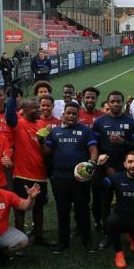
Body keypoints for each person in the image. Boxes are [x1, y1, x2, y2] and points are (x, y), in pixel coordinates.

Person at [43, 101, 98, 252]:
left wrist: (92, 162)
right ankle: (63, 241)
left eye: (74, 113)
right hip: (60, 177)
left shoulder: (86, 131)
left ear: (78, 115)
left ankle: (87, 240)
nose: (71, 116)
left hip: (80, 178)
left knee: (82, 209)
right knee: (62, 210)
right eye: (68, 113)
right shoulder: (55, 131)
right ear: (63, 115)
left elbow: (93, 149)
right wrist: (42, 140)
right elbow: (47, 152)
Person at [92, 91, 134, 247]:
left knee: (127, 201)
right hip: (105, 169)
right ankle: (106, 233)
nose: (115, 104)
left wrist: (122, 142)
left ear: (122, 103)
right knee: (104, 202)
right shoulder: (99, 122)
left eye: (118, 101)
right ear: (108, 103)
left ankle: (131, 233)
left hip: (125, 169)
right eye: (112, 101)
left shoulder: (131, 122)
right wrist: (106, 166)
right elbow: (95, 146)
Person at [6, 92, 52, 245]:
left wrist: (42, 141)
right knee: (20, 209)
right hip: (22, 175)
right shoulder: (18, 124)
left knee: (38, 208)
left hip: (40, 174)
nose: (39, 110)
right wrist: (12, 96)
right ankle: (20, 240)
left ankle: (39, 237)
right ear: (24, 111)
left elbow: (46, 150)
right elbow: (9, 117)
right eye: (35, 108)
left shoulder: (42, 124)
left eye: (39, 107)